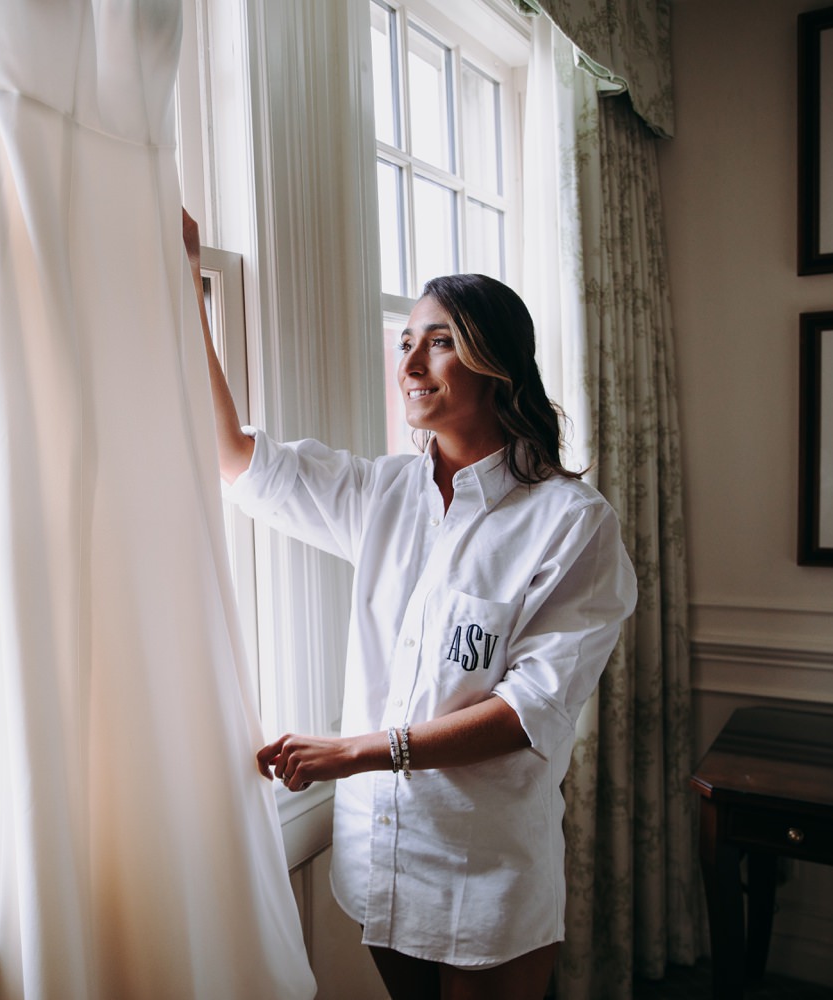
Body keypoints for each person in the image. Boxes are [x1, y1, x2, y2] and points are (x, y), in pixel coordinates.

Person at [183, 210, 637, 1000]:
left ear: (497, 363)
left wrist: (355, 752)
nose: (411, 363)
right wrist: (185, 284)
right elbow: (233, 457)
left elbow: (526, 713)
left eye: (441, 340)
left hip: (485, 865)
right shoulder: (381, 492)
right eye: (405, 342)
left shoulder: (571, 523)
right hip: (379, 860)